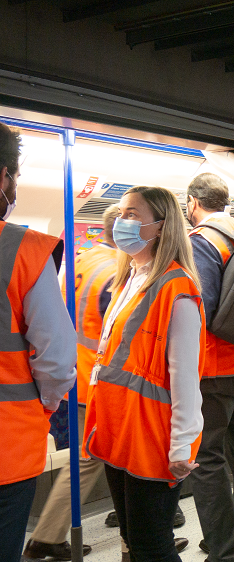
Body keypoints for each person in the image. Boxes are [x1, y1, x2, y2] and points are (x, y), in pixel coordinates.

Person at [83, 186, 206, 562]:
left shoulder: (177, 288)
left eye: (132, 215)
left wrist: (182, 444)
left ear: (161, 226)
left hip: (152, 435)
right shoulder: (127, 280)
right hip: (119, 428)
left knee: (152, 548)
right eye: (121, 213)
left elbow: (185, 375)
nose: (121, 222)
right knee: (134, 542)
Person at [0, 122, 77, 562]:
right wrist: (44, 405)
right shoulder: (23, 250)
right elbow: (57, 356)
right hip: (6, 446)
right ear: (4, 176)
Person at [23, 205, 118, 560]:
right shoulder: (117, 272)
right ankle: (46, 537)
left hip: (74, 373)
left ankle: (52, 535)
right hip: (101, 380)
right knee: (91, 456)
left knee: (95, 454)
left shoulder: (81, 260)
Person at [185, 173, 234, 561]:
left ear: (192, 203)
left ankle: (225, 551)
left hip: (216, 369)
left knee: (206, 459)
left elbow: (203, 308)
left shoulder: (201, 240)